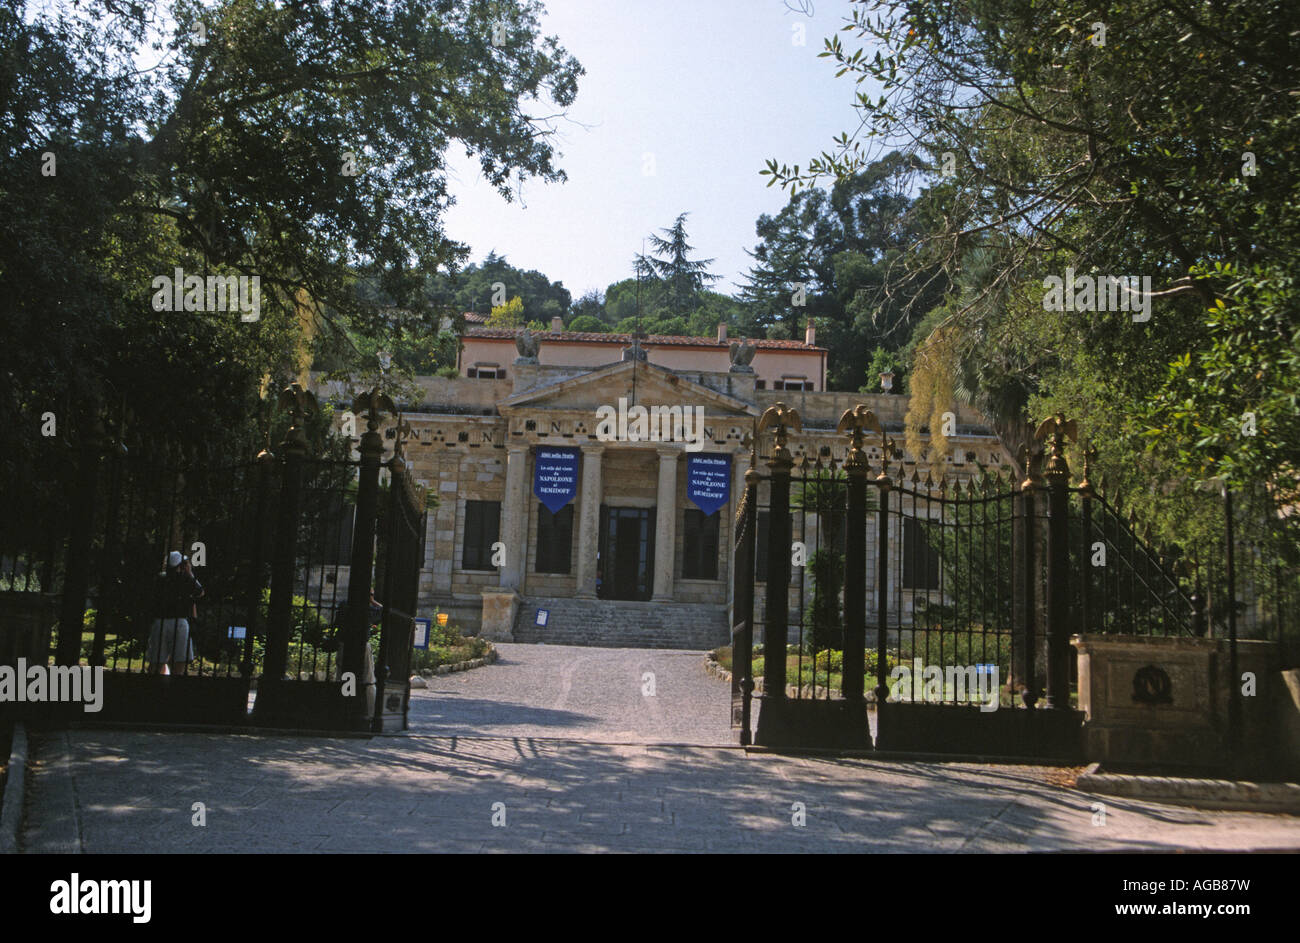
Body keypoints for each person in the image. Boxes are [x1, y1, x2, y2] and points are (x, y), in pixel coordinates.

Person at [148, 550, 203, 675]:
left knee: (156, 661)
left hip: (160, 621)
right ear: (181, 565)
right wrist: (190, 573)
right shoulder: (185, 579)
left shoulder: (160, 578)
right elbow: (200, 592)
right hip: (179, 621)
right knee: (180, 661)